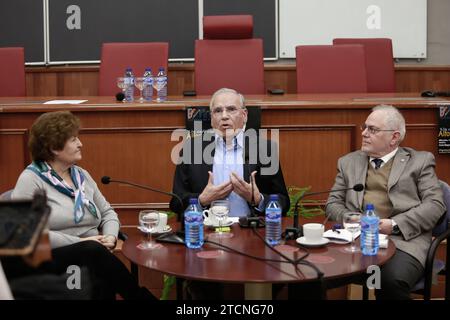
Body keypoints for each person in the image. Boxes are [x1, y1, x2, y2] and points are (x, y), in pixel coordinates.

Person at [8, 111, 156, 300]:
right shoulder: (31, 179)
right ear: (54, 147)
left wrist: (110, 236)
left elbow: (108, 213)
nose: (80, 144)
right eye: (73, 140)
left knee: (97, 264)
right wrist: (81, 243)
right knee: (93, 253)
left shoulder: (81, 175)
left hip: (94, 253)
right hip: (50, 258)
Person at [169, 88, 290, 299]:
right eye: (218, 111)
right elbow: (176, 202)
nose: (224, 116)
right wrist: (202, 200)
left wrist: (258, 199)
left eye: (231, 109)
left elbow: (283, 202)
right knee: (203, 287)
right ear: (212, 118)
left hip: (253, 236)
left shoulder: (265, 149)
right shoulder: (190, 150)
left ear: (244, 116)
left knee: (264, 283)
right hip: (207, 236)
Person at [326, 105, 446, 300]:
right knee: (310, 273)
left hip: (403, 243)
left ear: (394, 137)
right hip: (355, 242)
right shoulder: (348, 162)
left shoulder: (420, 161)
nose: (364, 133)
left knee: (389, 281)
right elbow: (333, 204)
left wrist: (394, 225)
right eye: (364, 127)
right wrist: (353, 218)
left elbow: (435, 205)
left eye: (372, 129)